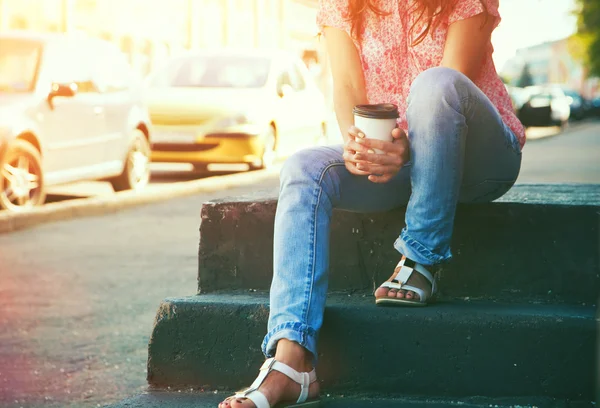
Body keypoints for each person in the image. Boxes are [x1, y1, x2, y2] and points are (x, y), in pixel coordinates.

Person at [219, 0, 524, 406]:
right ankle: (292, 361)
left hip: (478, 160)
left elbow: (453, 82)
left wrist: (407, 148)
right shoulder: (343, 5)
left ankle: (421, 258)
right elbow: (346, 87)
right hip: (397, 161)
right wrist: (359, 147)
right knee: (304, 168)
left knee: (436, 83)